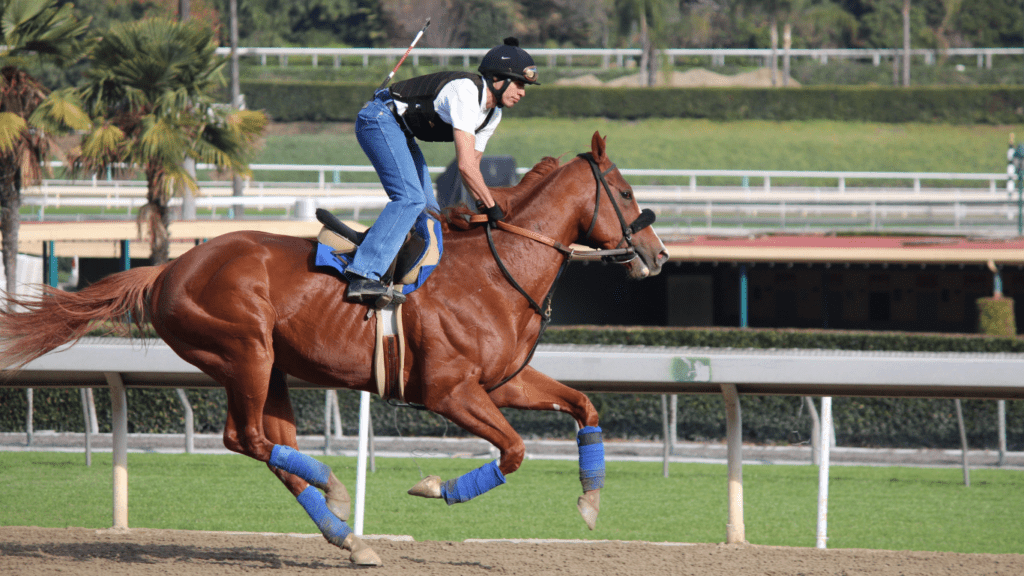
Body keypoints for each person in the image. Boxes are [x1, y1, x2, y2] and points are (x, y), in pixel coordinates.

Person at [344, 37, 539, 303]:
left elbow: (473, 169)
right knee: (410, 199)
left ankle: (417, 282)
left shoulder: (492, 114)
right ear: (497, 79)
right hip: (378, 119)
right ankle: (364, 275)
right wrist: (493, 207)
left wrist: (486, 208)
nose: (523, 92)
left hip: (401, 131)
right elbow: (465, 166)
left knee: (431, 213)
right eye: (519, 83)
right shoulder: (467, 93)